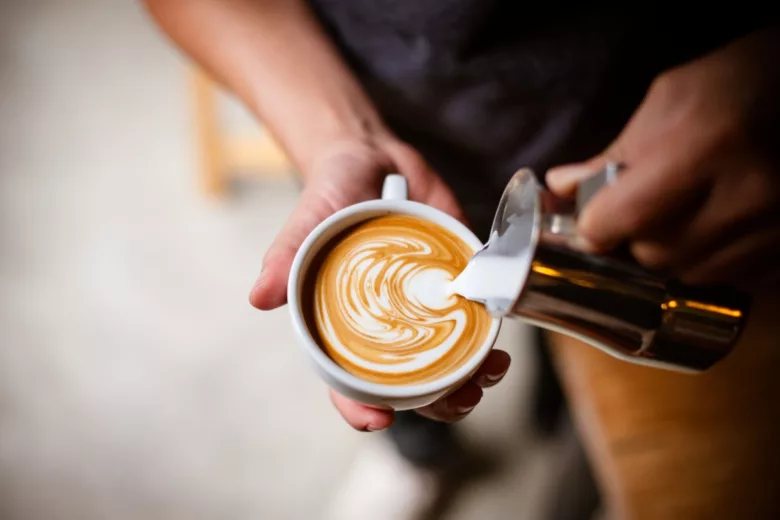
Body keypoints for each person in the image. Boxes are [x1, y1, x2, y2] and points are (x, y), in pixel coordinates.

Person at [144, 1, 779, 518]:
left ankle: (550, 415)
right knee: (396, 397)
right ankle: (417, 454)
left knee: (570, 332)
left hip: (636, 175)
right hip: (382, 132)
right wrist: (343, 137)